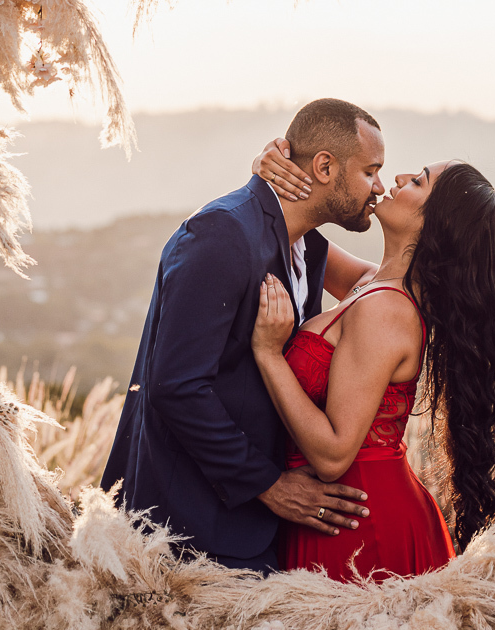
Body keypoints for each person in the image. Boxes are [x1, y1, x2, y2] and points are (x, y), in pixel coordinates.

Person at [100, 98, 387, 574]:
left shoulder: (308, 245)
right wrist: (269, 486)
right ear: (324, 167)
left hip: (255, 532)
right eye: (370, 171)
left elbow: (382, 290)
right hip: (188, 534)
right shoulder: (221, 233)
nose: (378, 187)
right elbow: (176, 386)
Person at [250, 146, 495, 581]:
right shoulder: (370, 283)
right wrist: (272, 173)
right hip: (344, 510)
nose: (399, 177)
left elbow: (333, 455)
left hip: (359, 527)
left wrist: (268, 354)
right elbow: (293, 229)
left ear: (436, 223)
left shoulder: (385, 311)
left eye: (419, 181)